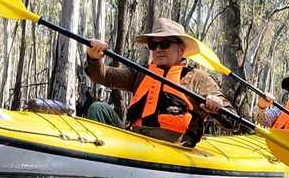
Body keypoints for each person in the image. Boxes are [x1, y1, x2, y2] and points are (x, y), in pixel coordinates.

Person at [84, 18, 234, 147]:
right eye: (153, 45)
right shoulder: (141, 73)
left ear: (181, 50)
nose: (158, 49)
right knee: (99, 108)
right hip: (136, 139)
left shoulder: (197, 78)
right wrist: (94, 58)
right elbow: (103, 75)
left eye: (165, 44)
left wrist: (217, 104)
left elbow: (232, 121)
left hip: (174, 147)